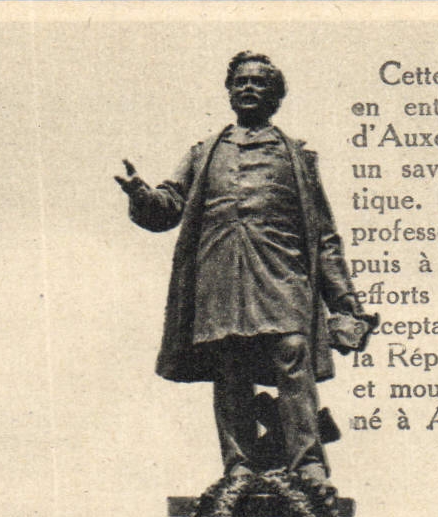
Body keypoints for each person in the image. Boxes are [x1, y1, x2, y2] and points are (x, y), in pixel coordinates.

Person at [117, 52, 372, 485]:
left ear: (276, 96)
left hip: (283, 271)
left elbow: (324, 237)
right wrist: (141, 194)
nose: (248, 88)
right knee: (231, 365)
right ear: (230, 92)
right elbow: (169, 208)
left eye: (259, 82)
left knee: (293, 351)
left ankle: (308, 463)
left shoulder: (297, 157)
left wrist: (345, 304)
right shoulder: (204, 153)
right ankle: (238, 465)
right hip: (222, 275)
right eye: (240, 82)